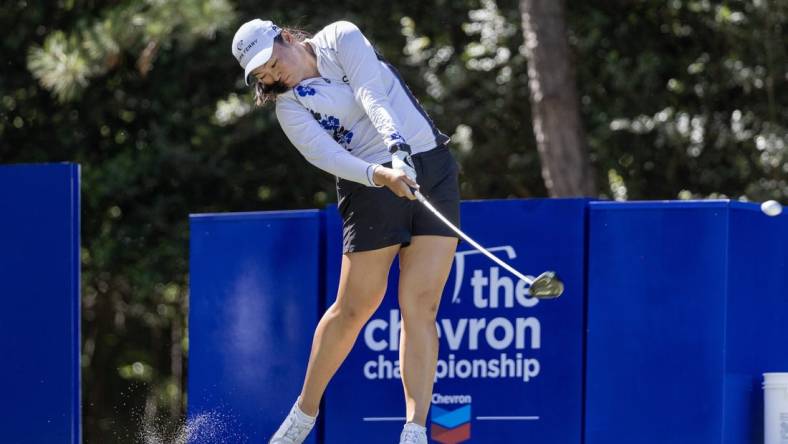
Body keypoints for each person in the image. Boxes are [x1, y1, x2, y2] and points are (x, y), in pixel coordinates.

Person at [231, 18, 461, 444]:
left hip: (430, 165)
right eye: (261, 75)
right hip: (369, 184)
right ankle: (305, 411)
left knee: (421, 306)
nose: (271, 75)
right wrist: (381, 173)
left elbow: (370, 92)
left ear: (286, 37)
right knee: (355, 308)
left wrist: (398, 147)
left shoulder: (340, 38)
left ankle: (415, 430)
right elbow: (327, 156)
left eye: (270, 62)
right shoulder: (290, 105)